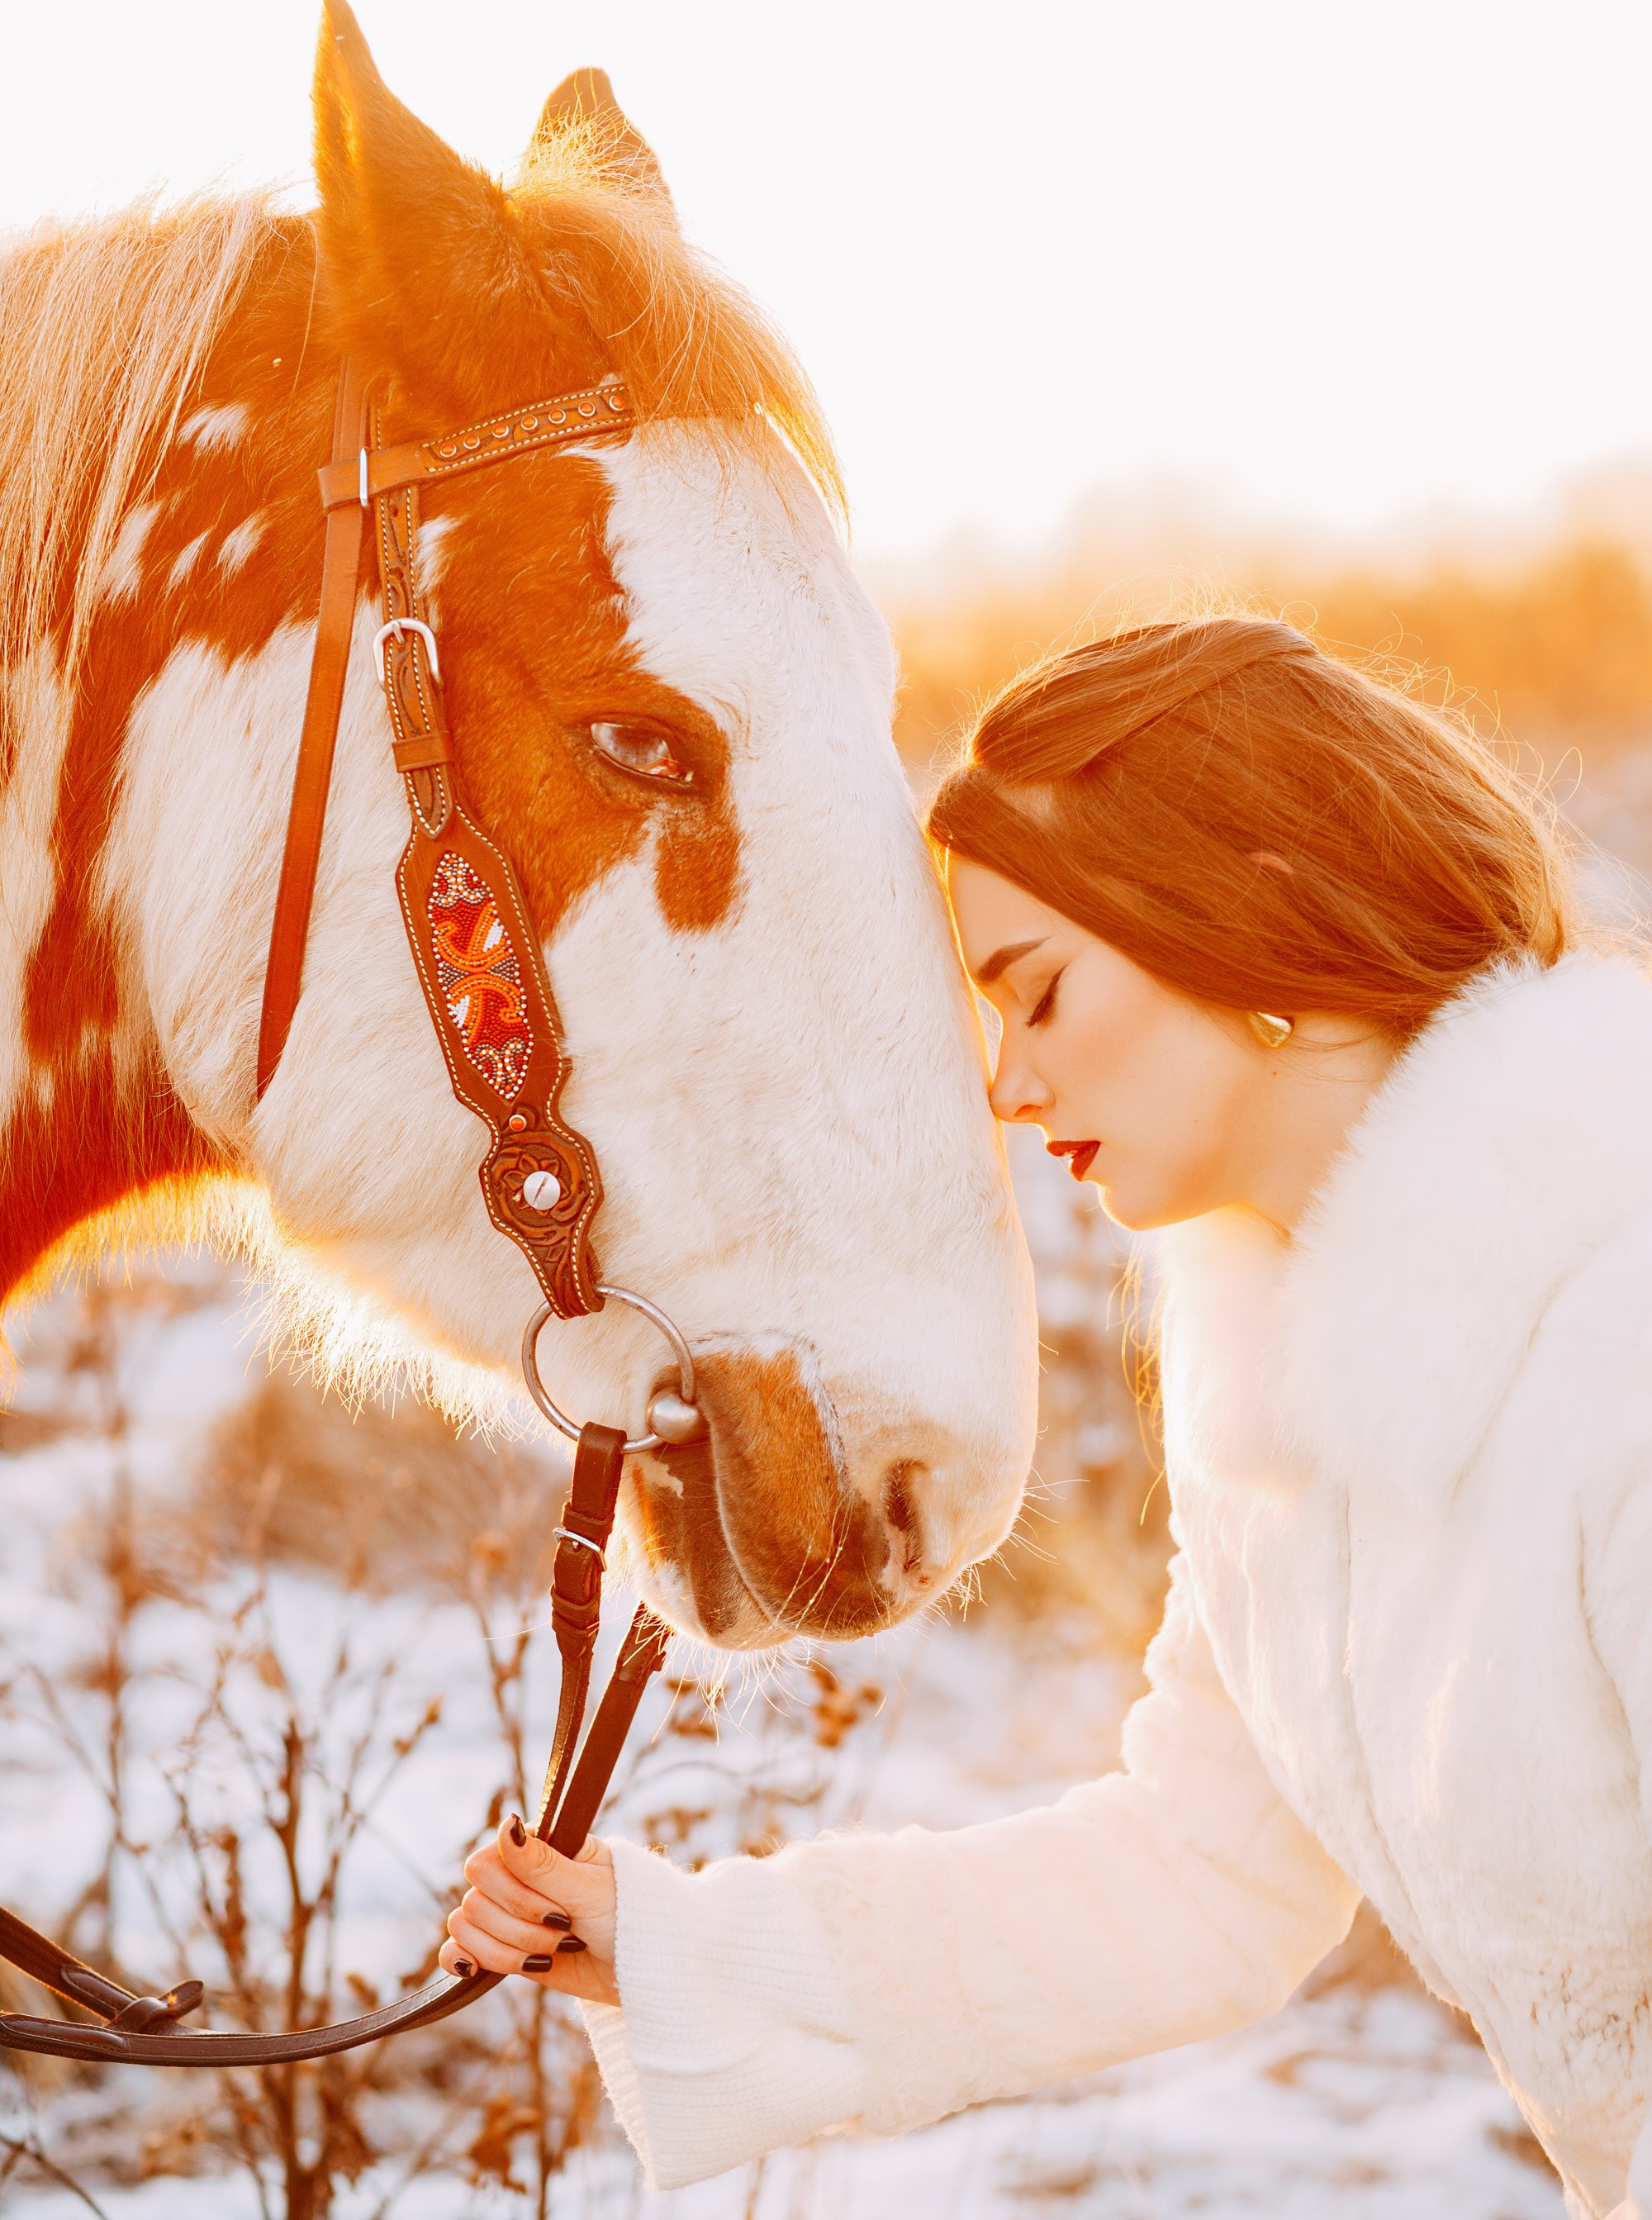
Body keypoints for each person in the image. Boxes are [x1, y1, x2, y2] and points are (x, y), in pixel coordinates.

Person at [440, 614, 1652, 2220]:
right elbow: (1198, 1877)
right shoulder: (1282, 1390)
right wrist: (680, 1948)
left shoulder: (1616, 1337)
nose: (1005, 1086)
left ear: (1250, 909)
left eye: (1042, 994)